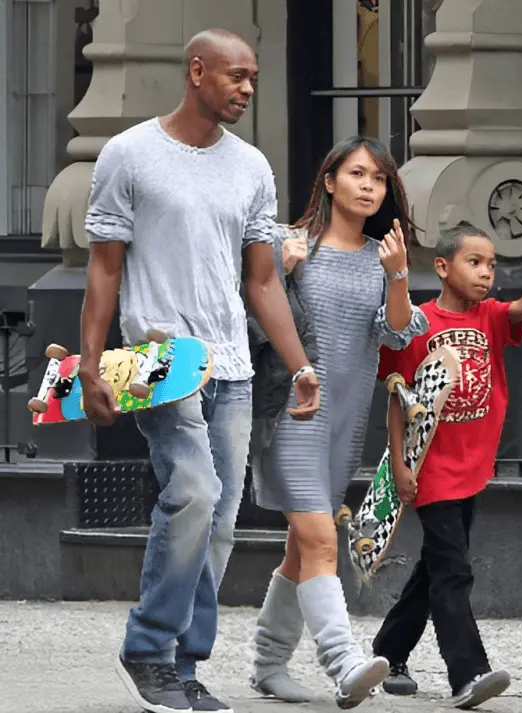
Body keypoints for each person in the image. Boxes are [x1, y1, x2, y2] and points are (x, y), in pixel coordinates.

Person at [80, 29, 320, 713]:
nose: (247, 89)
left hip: (234, 366)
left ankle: (185, 663)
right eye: (237, 76)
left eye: (253, 79)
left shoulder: (251, 168)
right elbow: (104, 266)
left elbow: (264, 281)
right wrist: (91, 364)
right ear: (197, 70)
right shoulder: (129, 154)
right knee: (190, 493)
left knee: (217, 519)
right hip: (160, 362)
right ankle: (148, 647)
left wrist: (300, 364)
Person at [248, 135, 429, 709]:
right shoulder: (289, 244)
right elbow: (248, 300)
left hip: (347, 421)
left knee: (301, 548)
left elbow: (398, 334)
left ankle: (267, 663)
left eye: (378, 178)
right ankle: (345, 662)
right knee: (323, 536)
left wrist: (398, 274)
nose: (369, 186)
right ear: (330, 181)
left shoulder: (382, 258)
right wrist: (281, 267)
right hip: (294, 411)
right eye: (357, 174)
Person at [371, 222, 522, 709]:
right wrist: (402, 464)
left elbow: (516, 309)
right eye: (474, 262)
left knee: (436, 565)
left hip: (473, 466)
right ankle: (468, 674)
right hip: (431, 469)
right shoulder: (416, 323)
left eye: (491, 264)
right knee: (454, 572)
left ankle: (389, 651)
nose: (486, 273)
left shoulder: (489, 316)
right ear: (443, 267)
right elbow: (398, 399)